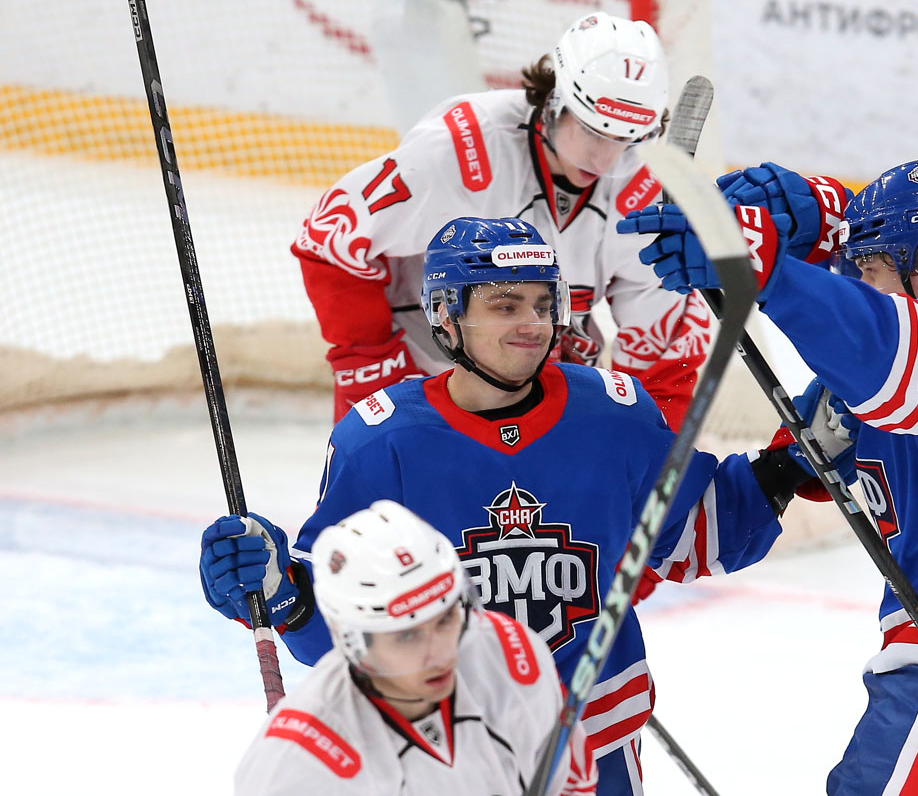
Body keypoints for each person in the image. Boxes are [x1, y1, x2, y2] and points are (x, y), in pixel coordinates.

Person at [202, 217, 792, 796]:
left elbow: (695, 533)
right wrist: (282, 590)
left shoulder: (614, 413)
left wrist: (789, 466)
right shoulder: (382, 442)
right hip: (442, 758)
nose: (533, 324)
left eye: (543, 304)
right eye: (506, 306)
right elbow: (349, 629)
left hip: (595, 738)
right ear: (446, 316)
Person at [618, 160, 918, 794]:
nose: (855, 280)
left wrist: (764, 265)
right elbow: (741, 509)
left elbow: (892, 352)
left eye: (867, 267)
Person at [294, 10, 709, 430]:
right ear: (555, 101)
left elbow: (661, 342)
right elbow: (329, 241)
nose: (605, 159)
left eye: (625, 139)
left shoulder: (644, 187)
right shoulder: (460, 149)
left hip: (543, 382)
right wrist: (373, 364)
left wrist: (649, 437)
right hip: (423, 377)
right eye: (592, 131)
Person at [234, 498, 597, 796]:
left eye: (445, 619)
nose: (441, 653)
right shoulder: (298, 763)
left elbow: (573, 781)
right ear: (352, 640)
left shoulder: (506, 653)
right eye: (407, 636)